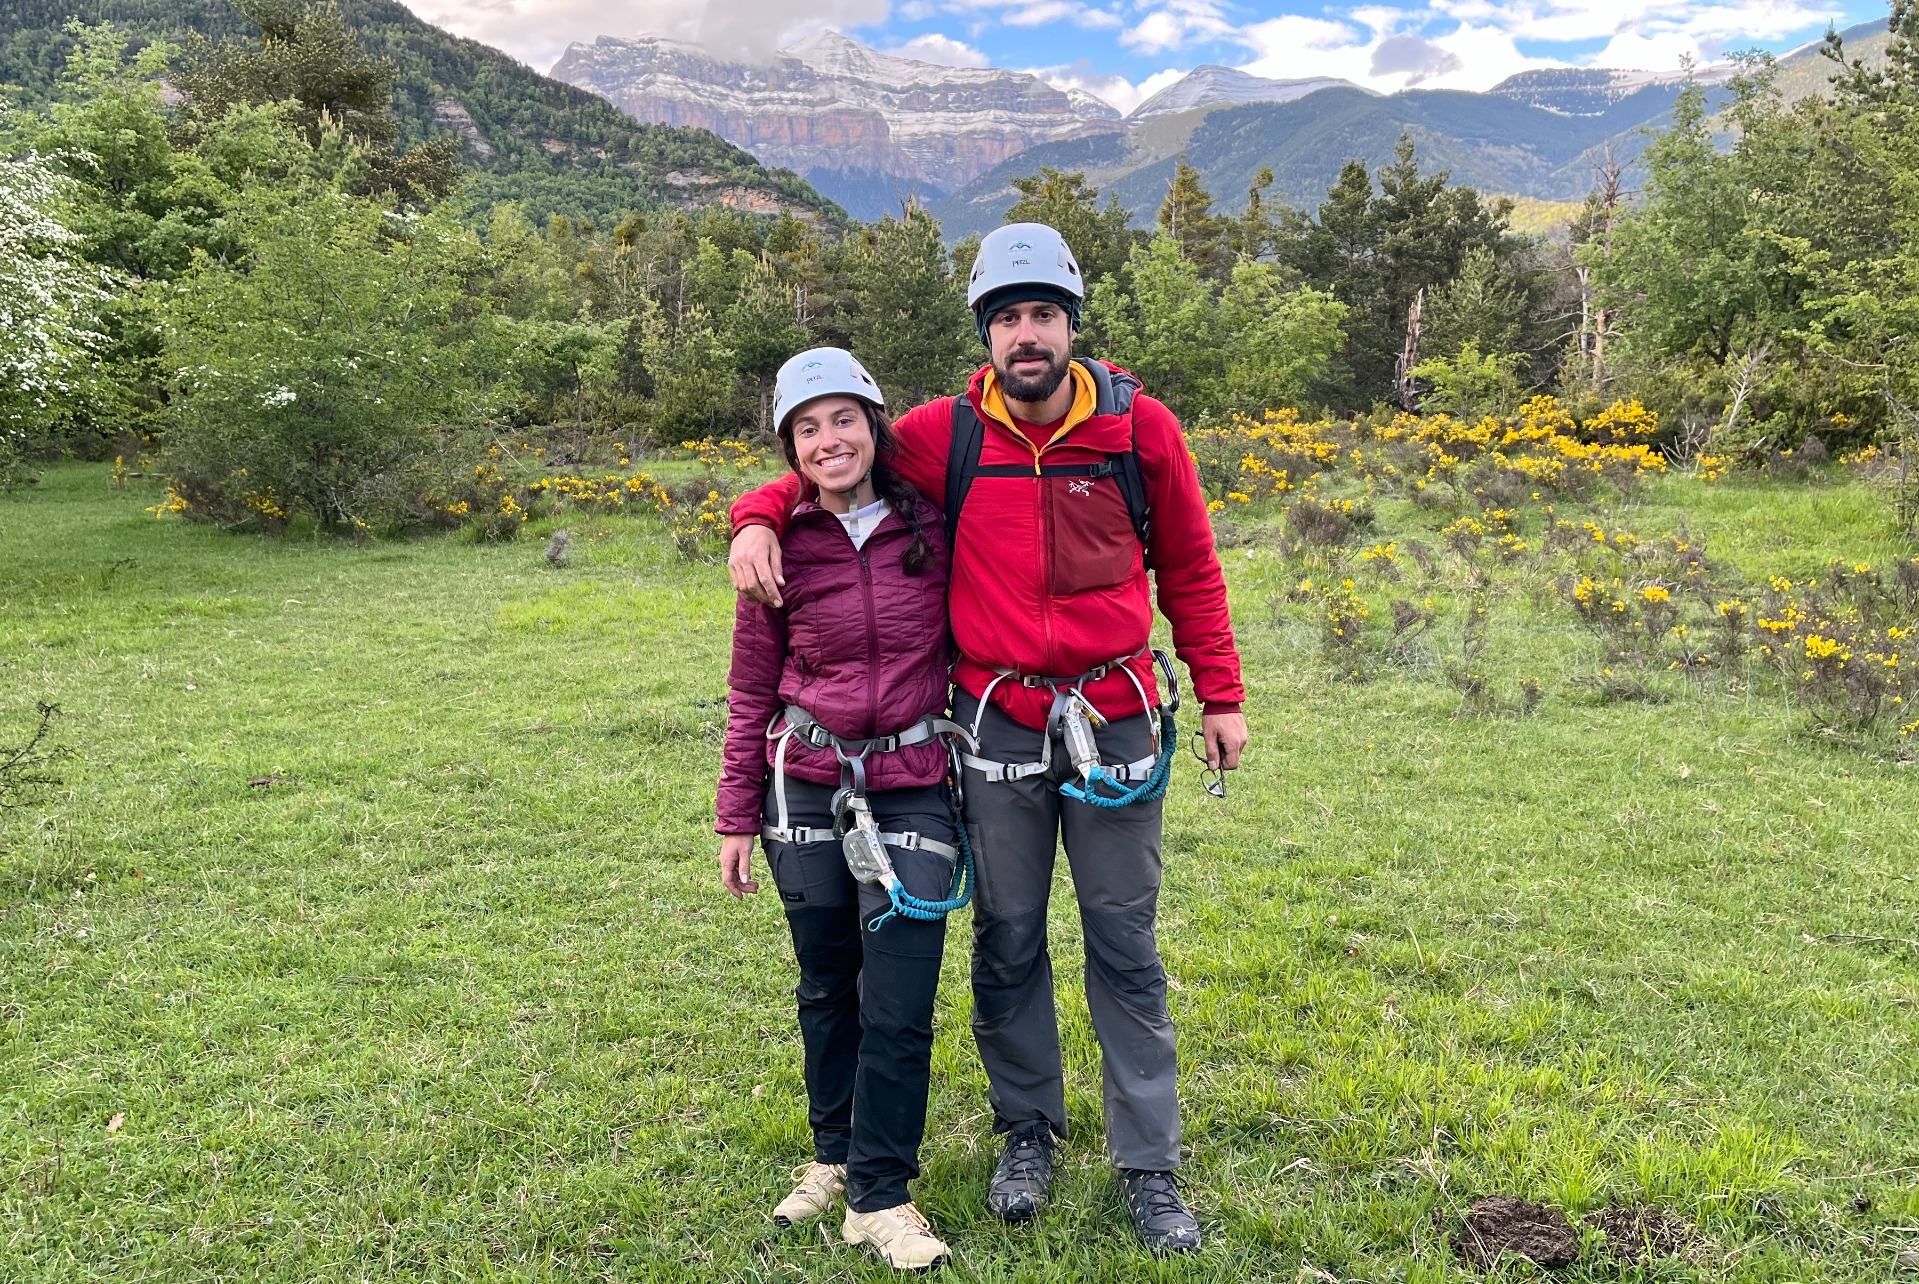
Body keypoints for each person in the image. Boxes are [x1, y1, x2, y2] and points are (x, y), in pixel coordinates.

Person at [728, 224, 1248, 1255]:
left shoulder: (1138, 431)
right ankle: (1027, 1134)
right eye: (1006, 319)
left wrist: (1220, 693)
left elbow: (1189, 563)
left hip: (1113, 719)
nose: (1026, 335)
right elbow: (827, 459)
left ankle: (1147, 1166)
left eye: (1042, 314)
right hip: (994, 724)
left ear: (1072, 325)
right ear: (985, 333)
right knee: (1007, 937)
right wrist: (753, 516)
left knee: (1123, 943)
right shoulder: (946, 433)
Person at [715, 346, 970, 1272]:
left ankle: (881, 1196)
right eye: (806, 428)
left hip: (912, 784)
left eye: (843, 419)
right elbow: (751, 690)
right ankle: (833, 1157)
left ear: (873, 425)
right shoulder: (778, 545)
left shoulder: (935, 525)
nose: (829, 440)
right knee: (827, 985)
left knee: (898, 1001)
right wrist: (734, 814)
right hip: (803, 785)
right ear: (790, 448)